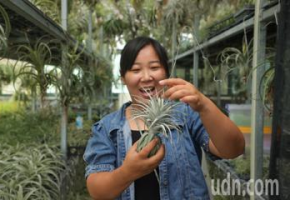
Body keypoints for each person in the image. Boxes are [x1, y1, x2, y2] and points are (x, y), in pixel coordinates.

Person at [83, 36, 245, 200]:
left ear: (166, 73)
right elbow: (97, 191)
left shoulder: (186, 115)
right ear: (123, 78)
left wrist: (204, 105)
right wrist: (127, 172)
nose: (146, 77)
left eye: (154, 67)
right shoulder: (106, 128)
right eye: (135, 70)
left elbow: (233, 149)